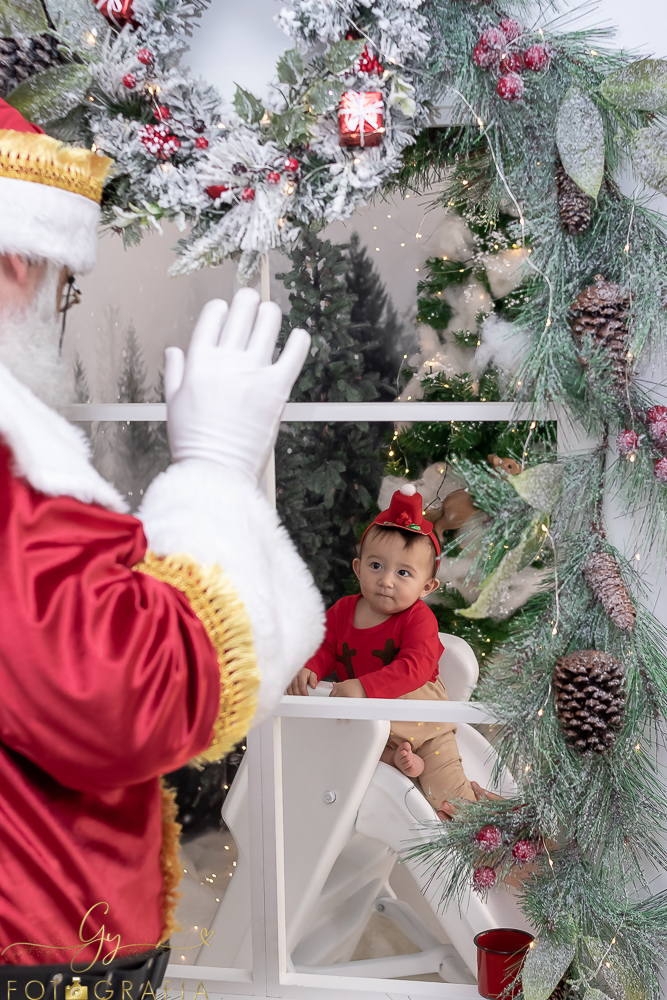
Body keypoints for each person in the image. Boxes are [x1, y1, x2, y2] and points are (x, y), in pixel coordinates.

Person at [0, 98, 324, 988]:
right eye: (68, 287)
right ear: (22, 262)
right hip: (37, 942)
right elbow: (122, 692)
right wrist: (215, 472)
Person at [287, 483, 488, 819]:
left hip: (424, 726)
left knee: (452, 797)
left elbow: (417, 667)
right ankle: (398, 761)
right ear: (358, 567)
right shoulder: (343, 611)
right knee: (345, 756)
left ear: (427, 587)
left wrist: (364, 687)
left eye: (403, 572)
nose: (386, 580)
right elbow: (326, 647)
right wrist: (312, 667)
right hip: (370, 727)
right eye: (376, 566)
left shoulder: (417, 617)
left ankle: (481, 830)